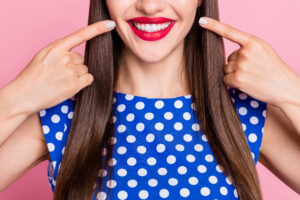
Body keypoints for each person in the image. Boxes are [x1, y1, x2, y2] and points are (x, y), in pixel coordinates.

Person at [0, 0, 299, 199]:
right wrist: (17, 97)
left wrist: (290, 91)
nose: (150, 6)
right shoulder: (63, 114)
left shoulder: (243, 113)